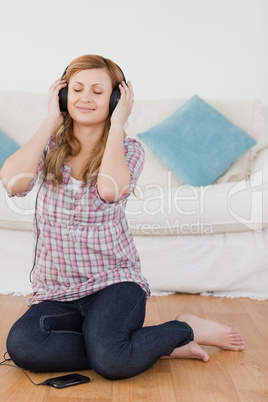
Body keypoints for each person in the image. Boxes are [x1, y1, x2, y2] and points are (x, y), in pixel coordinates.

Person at [1, 55, 245, 380]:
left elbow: (109, 190)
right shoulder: (48, 148)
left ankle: (183, 329)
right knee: (23, 346)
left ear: (115, 100)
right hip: (57, 291)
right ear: (63, 96)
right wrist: (50, 121)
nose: (85, 97)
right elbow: (13, 183)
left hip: (113, 284)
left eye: (98, 91)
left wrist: (116, 125)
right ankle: (144, 345)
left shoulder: (129, 150)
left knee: (112, 362)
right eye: (77, 89)